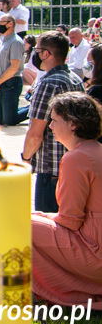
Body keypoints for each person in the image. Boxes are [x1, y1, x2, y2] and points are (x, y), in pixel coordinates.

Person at [31, 92, 102, 309]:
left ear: (72, 124)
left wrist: (41, 217)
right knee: (31, 219)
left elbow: (71, 221)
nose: (50, 126)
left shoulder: (76, 157)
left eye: (54, 120)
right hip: (95, 242)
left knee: (14, 224)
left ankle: (31, 295)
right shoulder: (96, 150)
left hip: (94, 250)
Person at [20, 31, 84, 212]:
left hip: (51, 169)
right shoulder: (76, 80)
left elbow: (35, 132)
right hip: (74, 166)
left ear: (46, 54)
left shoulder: (48, 84)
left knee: (50, 228)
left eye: (37, 49)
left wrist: (25, 159)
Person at [0, 14, 26, 126]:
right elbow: (0, 64)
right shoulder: (4, 41)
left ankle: (32, 109)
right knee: (0, 120)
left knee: (10, 120)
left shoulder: (15, 42)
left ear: (10, 24)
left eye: (1, 22)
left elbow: (14, 67)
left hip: (11, 83)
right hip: (1, 83)